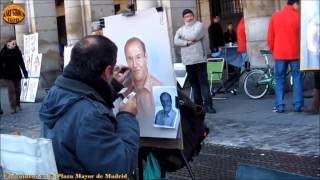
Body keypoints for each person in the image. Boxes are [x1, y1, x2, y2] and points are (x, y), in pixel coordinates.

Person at [39, 35, 139, 175]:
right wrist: (126, 116)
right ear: (108, 71)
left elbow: (85, 95)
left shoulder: (57, 90)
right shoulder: (92, 116)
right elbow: (120, 167)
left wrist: (112, 84)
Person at [174, 9, 216, 113]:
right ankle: (198, 106)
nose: (189, 18)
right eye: (186, 16)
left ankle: (209, 106)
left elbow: (194, 35)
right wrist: (187, 43)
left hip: (199, 59)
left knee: (204, 84)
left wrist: (183, 39)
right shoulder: (180, 29)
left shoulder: (199, 25)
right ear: (183, 18)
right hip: (188, 61)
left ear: (193, 16)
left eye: (190, 15)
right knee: (194, 85)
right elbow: (175, 41)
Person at [267, 0, 304, 113]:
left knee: (279, 79)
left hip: (280, 53)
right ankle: (298, 105)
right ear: (295, 4)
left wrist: (273, 49)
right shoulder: (299, 17)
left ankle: (280, 105)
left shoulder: (275, 16)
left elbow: (270, 36)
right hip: (295, 53)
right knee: (297, 78)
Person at [124, 37, 162, 121]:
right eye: (130, 59)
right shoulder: (124, 88)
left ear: (146, 57)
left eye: (138, 57)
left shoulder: (159, 88)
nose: (134, 64)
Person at [0, 38, 28, 113]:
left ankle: (18, 104)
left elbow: (21, 62)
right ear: (8, 44)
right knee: (11, 90)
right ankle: (13, 107)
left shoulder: (17, 51)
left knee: (18, 90)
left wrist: (25, 72)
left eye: (15, 43)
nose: (15, 45)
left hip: (17, 73)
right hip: (8, 75)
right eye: (13, 43)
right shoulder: (3, 52)